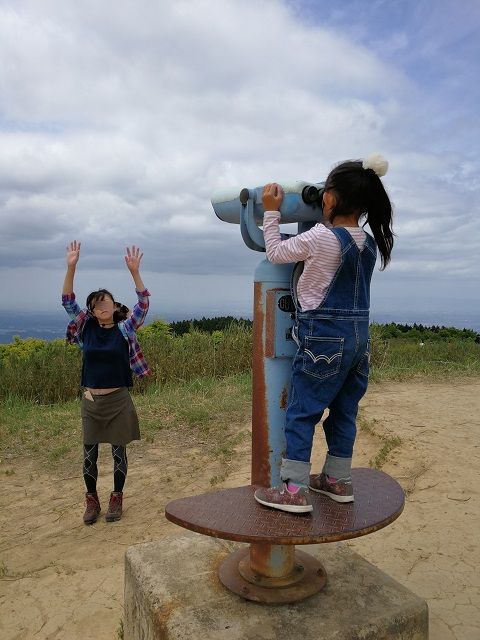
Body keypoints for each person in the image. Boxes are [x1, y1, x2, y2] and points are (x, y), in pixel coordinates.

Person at [254, 154, 394, 514]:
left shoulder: (319, 237)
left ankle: (293, 489)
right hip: (359, 341)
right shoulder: (367, 242)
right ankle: (337, 479)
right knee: (345, 410)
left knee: (301, 412)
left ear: (329, 199)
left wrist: (271, 211)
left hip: (324, 340)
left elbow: (275, 252)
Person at [62, 241, 151, 524]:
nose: (101, 305)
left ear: (114, 307)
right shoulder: (85, 328)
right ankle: (91, 501)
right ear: (91, 310)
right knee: (89, 454)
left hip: (118, 400)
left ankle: (116, 497)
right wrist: (71, 266)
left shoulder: (125, 329)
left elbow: (144, 304)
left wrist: (135, 273)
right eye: (96, 303)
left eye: (105, 301)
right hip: (91, 401)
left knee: (118, 451)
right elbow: (67, 301)